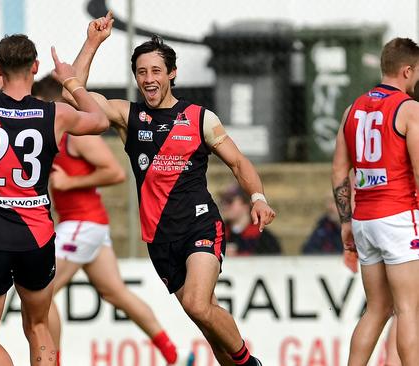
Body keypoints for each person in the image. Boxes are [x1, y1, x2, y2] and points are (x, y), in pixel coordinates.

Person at [63, 13, 276, 366]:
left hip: (200, 225)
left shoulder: (198, 118)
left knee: (196, 303)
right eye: (142, 72)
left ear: (171, 74)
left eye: (156, 71)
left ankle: (250, 363)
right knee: (206, 321)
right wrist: (92, 43)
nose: (149, 79)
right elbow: (75, 97)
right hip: (160, 238)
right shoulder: (126, 116)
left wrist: (258, 197)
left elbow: (238, 162)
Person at [0, 34, 108, 366]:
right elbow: (100, 120)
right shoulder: (55, 114)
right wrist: (71, 81)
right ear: (35, 67)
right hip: (36, 235)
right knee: (38, 326)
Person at [32, 74, 178, 364]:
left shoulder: (75, 136)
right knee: (115, 293)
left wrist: (69, 183)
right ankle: (173, 354)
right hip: (86, 227)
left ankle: (53, 362)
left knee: (40, 293)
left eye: (37, 106)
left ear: (52, 104)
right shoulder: (52, 135)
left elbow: (116, 172)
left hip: (82, 225)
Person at [332, 37, 419, 366]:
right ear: (407, 70)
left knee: (377, 309)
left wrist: (345, 221)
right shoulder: (409, 109)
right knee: (410, 308)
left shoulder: (352, 109)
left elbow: (340, 170)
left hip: (365, 218)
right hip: (399, 216)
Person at [219, 184, 281, 256]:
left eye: (229, 201)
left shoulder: (263, 238)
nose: (224, 205)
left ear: (246, 204)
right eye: (222, 201)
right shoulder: (218, 233)